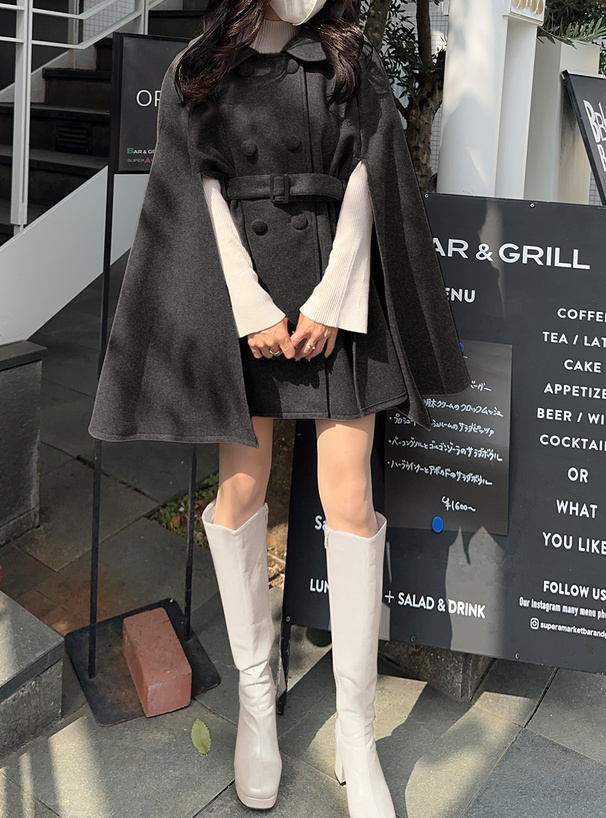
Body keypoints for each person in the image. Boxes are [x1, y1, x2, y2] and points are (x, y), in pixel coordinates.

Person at [88, 1, 470, 816]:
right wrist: (248, 305)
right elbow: (196, 195)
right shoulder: (199, 66)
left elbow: (371, 177)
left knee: (350, 496)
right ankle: (257, 704)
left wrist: (335, 297)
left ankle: (358, 734)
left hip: (338, 290)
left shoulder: (352, 59)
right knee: (240, 492)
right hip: (246, 299)